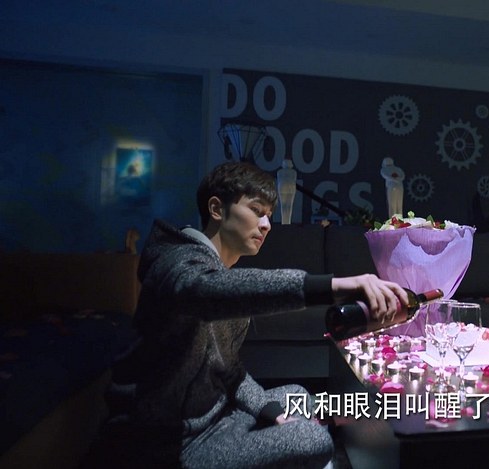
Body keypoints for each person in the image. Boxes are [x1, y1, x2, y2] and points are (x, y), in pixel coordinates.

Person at [89, 162, 408, 469]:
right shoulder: (175, 262)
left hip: (216, 417)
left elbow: (229, 372)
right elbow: (201, 290)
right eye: (256, 211)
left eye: (269, 215)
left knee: (298, 397)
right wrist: (334, 286)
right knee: (311, 439)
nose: (267, 224)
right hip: (168, 443)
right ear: (217, 209)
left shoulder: (221, 272)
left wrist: (272, 413)